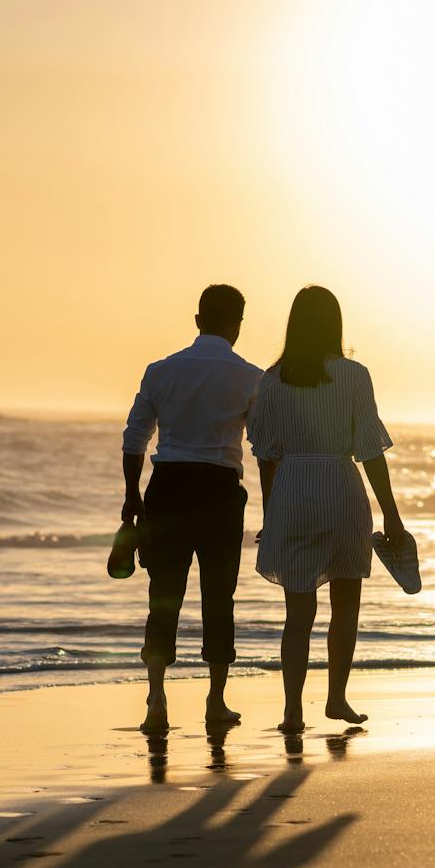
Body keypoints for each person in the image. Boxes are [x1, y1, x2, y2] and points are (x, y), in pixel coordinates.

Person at [249, 285, 409, 733]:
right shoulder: (354, 376)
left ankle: (292, 711)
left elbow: (266, 454)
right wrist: (391, 514)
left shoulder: (273, 379)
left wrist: (270, 514)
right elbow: (370, 452)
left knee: (298, 614)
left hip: (294, 489)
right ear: (334, 324)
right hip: (340, 487)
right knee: (346, 604)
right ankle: (336, 698)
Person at [122, 284, 264, 732]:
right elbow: (262, 447)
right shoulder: (251, 377)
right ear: (237, 325)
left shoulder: (161, 370)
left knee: (164, 597)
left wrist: (132, 496)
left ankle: (156, 699)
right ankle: (216, 701)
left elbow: (134, 439)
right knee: (219, 599)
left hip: (169, 487)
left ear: (198, 319)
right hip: (220, 492)